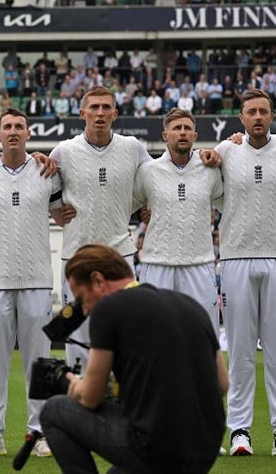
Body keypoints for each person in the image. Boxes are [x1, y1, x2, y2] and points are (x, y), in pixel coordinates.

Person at [40, 243, 227, 474]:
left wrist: (71, 382)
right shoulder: (191, 306)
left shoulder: (108, 308)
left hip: (154, 447)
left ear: (98, 280)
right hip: (206, 450)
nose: (85, 311)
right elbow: (222, 384)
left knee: (54, 410)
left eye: (81, 298)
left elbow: (90, 397)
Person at [0, 108, 61, 459]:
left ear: (29, 133)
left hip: (37, 279)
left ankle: (42, 432)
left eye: (20, 126)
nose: (14, 131)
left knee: (42, 364)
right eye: (8, 127)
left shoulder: (46, 171)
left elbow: (64, 212)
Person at [49, 86, 154, 368]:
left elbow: (159, 178)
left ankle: (124, 395)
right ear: (82, 113)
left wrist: (145, 206)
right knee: (77, 339)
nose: (100, 113)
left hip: (120, 256)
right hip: (77, 256)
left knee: (126, 333)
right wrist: (57, 212)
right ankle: (82, 395)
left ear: (115, 114)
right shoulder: (63, 152)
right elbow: (43, 189)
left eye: (106, 107)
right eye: (94, 107)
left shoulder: (133, 147)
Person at [214, 89, 276, 456]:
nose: (258, 117)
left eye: (263, 111)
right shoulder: (227, 150)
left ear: (271, 115)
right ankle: (239, 431)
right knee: (239, 353)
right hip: (236, 258)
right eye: (251, 112)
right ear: (241, 117)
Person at [133, 109, 224, 334]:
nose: (182, 133)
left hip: (200, 263)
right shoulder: (147, 171)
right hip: (156, 264)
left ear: (195, 135)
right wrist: (142, 213)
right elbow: (130, 206)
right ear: (165, 135)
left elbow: (227, 204)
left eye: (187, 128)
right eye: (176, 128)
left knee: (203, 335)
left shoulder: (210, 169)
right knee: (153, 335)